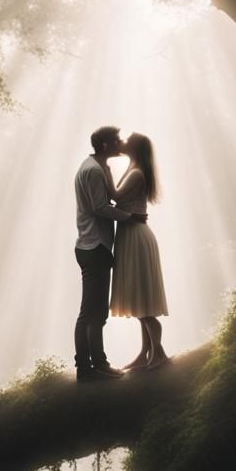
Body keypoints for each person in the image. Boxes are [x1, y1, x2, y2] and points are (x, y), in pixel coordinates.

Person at [73, 126, 146, 383]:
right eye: (116, 140)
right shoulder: (93, 171)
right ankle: (90, 367)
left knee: (95, 312)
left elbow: (107, 201)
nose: (120, 142)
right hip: (95, 247)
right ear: (105, 145)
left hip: (94, 245)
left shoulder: (97, 166)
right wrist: (132, 216)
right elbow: (100, 208)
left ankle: (92, 365)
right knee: (91, 313)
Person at [109, 132, 170, 370]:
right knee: (139, 299)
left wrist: (103, 166)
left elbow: (113, 196)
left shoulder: (135, 173)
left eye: (126, 140)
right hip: (132, 234)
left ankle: (159, 354)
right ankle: (146, 352)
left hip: (135, 235)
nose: (122, 142)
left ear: (134, 147)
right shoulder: (134, 168)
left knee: (142, 303)